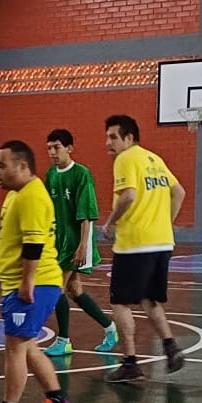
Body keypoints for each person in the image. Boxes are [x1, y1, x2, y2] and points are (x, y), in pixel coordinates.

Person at [0, 140, 75, 403]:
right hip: (22, 281)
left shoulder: (32, 196)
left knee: (15, 347)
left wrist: (27, 284)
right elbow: (11, 237)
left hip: (35, 283)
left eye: (2, 165)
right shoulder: (15, 195)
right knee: (28, 346)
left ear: (22, 166)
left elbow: (34, 244)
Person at [100, 115, 186, 383]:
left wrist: (110, 222)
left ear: (129, 138)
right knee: (150, 300)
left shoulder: (125, 159)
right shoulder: (155, 160)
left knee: (119, 302)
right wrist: (164, 223)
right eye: (107, 136)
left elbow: (128, 195)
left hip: (135, 243)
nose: (108, 142)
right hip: (161, 242)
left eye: (113, 137)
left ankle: (130, 362)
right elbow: (179, 192)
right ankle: (171, 346)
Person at [42, 129, 118, 355]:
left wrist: (83, 245)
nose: (52, 152)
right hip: (58, 242)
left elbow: (85, 215)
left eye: (56, 147)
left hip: (75, 242)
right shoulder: (51, 174)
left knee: (56, 289)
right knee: (74, 290)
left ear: (69, 148)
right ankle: (110, 328)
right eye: (49, 148)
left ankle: (64, 340)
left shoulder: (81, 174)